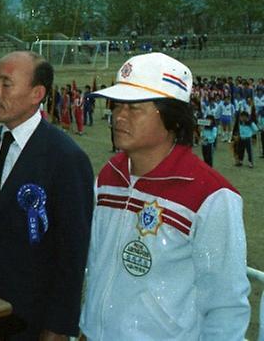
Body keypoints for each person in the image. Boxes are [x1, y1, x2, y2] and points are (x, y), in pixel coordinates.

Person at [81, 52, 250, 339]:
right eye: (118, 105)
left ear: (171, 118)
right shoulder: (109, 176)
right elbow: (96, 264)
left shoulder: (210, 196)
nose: (119, 116)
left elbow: (226, 305)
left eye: (134, 108)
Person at [0, 51, 93, 340]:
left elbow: (72, 253)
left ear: (37, 93)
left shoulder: (66, 157)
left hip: (29, 317)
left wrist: (59, 326)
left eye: (6, 84)